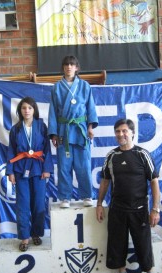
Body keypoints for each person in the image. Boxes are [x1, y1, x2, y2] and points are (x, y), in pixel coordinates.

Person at [96, 118, 162, 273]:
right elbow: (105, 182)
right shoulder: (111, 156)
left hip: (139, 210)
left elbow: (154, 182)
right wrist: (99, 204)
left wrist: (155, 209)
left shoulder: (142, 154)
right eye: (118, 131)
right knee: (116, 243)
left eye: (124, 131)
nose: (121, 134)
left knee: (143, 244)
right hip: (117, 208)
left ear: (132, 133)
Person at [48, 55, 98, 208]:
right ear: (63, 68)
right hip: (64, 131)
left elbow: (91, 108)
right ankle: (65, 197)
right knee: (64, 166)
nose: (69, 67)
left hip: (81, 130)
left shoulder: (84, 86)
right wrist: (54, 134)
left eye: (72, 64)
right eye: (66, 64)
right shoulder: (56, 87)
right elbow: (53, 113)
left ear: (77, 68)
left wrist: (90, 127)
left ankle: (86, 195)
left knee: (83, 165)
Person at [6, 97, 53, 251]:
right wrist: (10, 171)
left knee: (39, 203)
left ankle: (36, 234)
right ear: (20, 110)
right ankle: (25, 237)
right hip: (20, 169)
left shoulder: (41, 126)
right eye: (24, 108)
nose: (26, 111)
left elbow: (46, 149)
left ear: (34, 110)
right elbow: (11, 151)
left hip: (39, 169)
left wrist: (47, 169)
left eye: (29, 108)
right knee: (23, 205)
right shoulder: (15, 129)